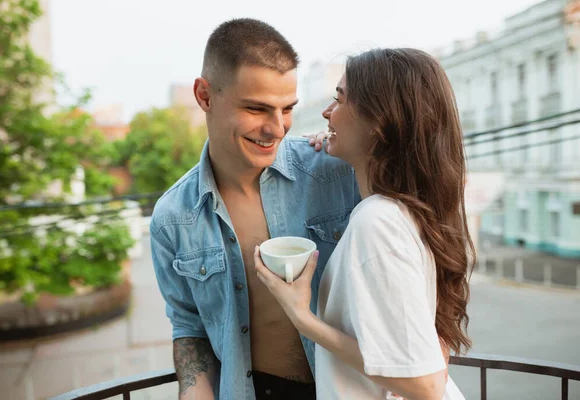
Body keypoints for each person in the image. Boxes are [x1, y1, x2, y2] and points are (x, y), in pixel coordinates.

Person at [149, 18, 360, 400]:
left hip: (349, 389)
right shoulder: (172, 218)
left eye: (287, 109)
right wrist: (193, 393)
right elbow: (189, 326)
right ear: (205, 96)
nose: (277, 128)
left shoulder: (337, 172)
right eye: (257, 108)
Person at [255, 47, 474, 400]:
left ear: (378, 122)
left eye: (339, 100)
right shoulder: (401, 211)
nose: (327, 113)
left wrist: (303, 319)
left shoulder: (377, 221)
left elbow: (427, 385)